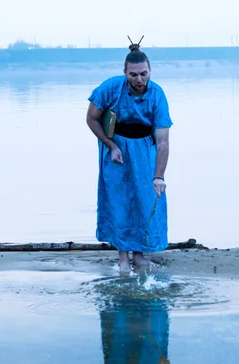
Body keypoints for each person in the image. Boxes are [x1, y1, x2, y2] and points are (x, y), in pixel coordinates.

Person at [86, 42, 173, 273]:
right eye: (133, 74)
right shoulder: (110, 88)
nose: (139, 79)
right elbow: (92, 119)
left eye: (144, 74)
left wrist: (159, 175)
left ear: (150, 71)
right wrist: (110, 145)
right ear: (125, 72)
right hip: (116, 148)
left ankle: (140, 253)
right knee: (118, 200)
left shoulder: (157, 94)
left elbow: (163, 140)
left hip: (145, 149)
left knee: (146, 200)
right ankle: (123, 258)